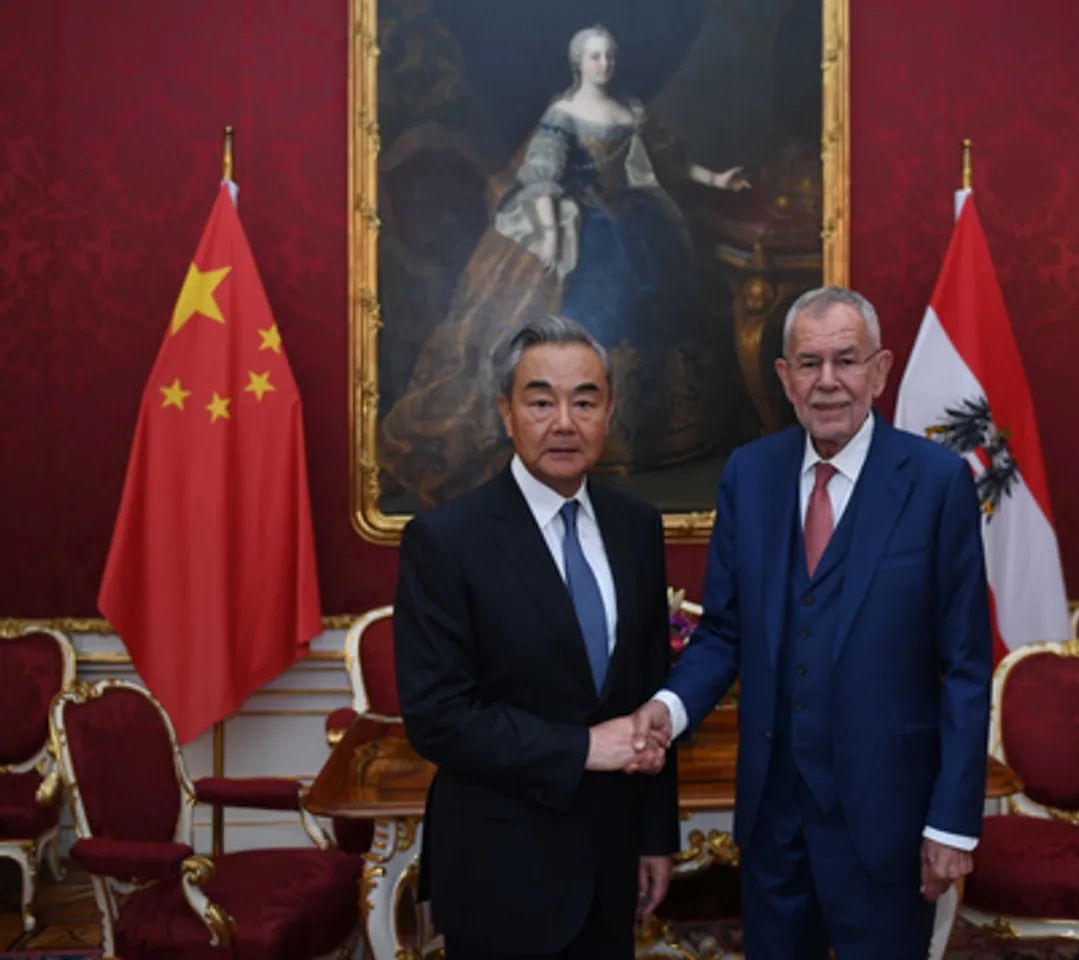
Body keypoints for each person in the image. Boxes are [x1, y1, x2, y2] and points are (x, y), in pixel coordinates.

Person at [632, 286, 994, 959]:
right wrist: (668, 709)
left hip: (887, 819)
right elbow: (723, 633)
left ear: (879, 371)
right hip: (773, 821)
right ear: (784, 377)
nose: (827, 382)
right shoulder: (749, 474)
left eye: (845, 360)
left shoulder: (936, 482)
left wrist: (951, 823)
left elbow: (968, 667)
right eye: (808, 363)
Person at [394, 315, 680, 960]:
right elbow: (438, 717)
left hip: (611, 865)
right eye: (541, 402)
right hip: (501, 870)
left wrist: (654, 837)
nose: (564, 423)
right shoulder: (446, 540)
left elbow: (649, 694)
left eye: (585, 402)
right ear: (506, 412)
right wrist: (583, 748)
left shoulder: (636, 527)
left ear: (609, 412)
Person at [379, 24, 749, 505]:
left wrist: (718, 180)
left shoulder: (631, 111)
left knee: (660, 305)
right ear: (579, 63)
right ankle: (582, 430)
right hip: (576, 222)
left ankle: (656, 429)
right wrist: (553, 239)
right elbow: (543, 181)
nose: (604, 64)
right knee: (592, 309)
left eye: (609, 55)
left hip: (638, 223)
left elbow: (670, 163)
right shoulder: (563, 115)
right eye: (595, 56)